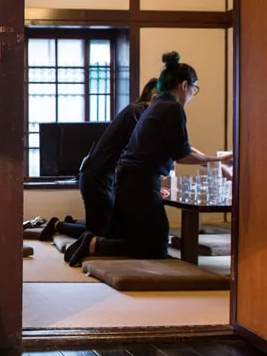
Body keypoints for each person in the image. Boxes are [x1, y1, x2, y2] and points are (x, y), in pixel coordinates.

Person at [66, 51, 233, 267]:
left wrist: (214, 162)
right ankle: (95, 244)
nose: (193, 94)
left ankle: (95, 242)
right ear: (184, 86)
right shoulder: (173, 109)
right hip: (140, 183)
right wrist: (216, 162)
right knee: (157, 245)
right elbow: (182, 154)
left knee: (133, 236)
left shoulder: (157, 105)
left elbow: (181, 147)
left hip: (127, 179)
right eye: (195, 89)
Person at [39, 77, 159, 243]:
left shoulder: (136, 111)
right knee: (101, 233)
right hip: (97, 177)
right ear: (154, 98)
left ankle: (66, 223)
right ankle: (58, 225)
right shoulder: (136, 113)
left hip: (98, 175)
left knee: (106, 227)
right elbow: (139, 148)